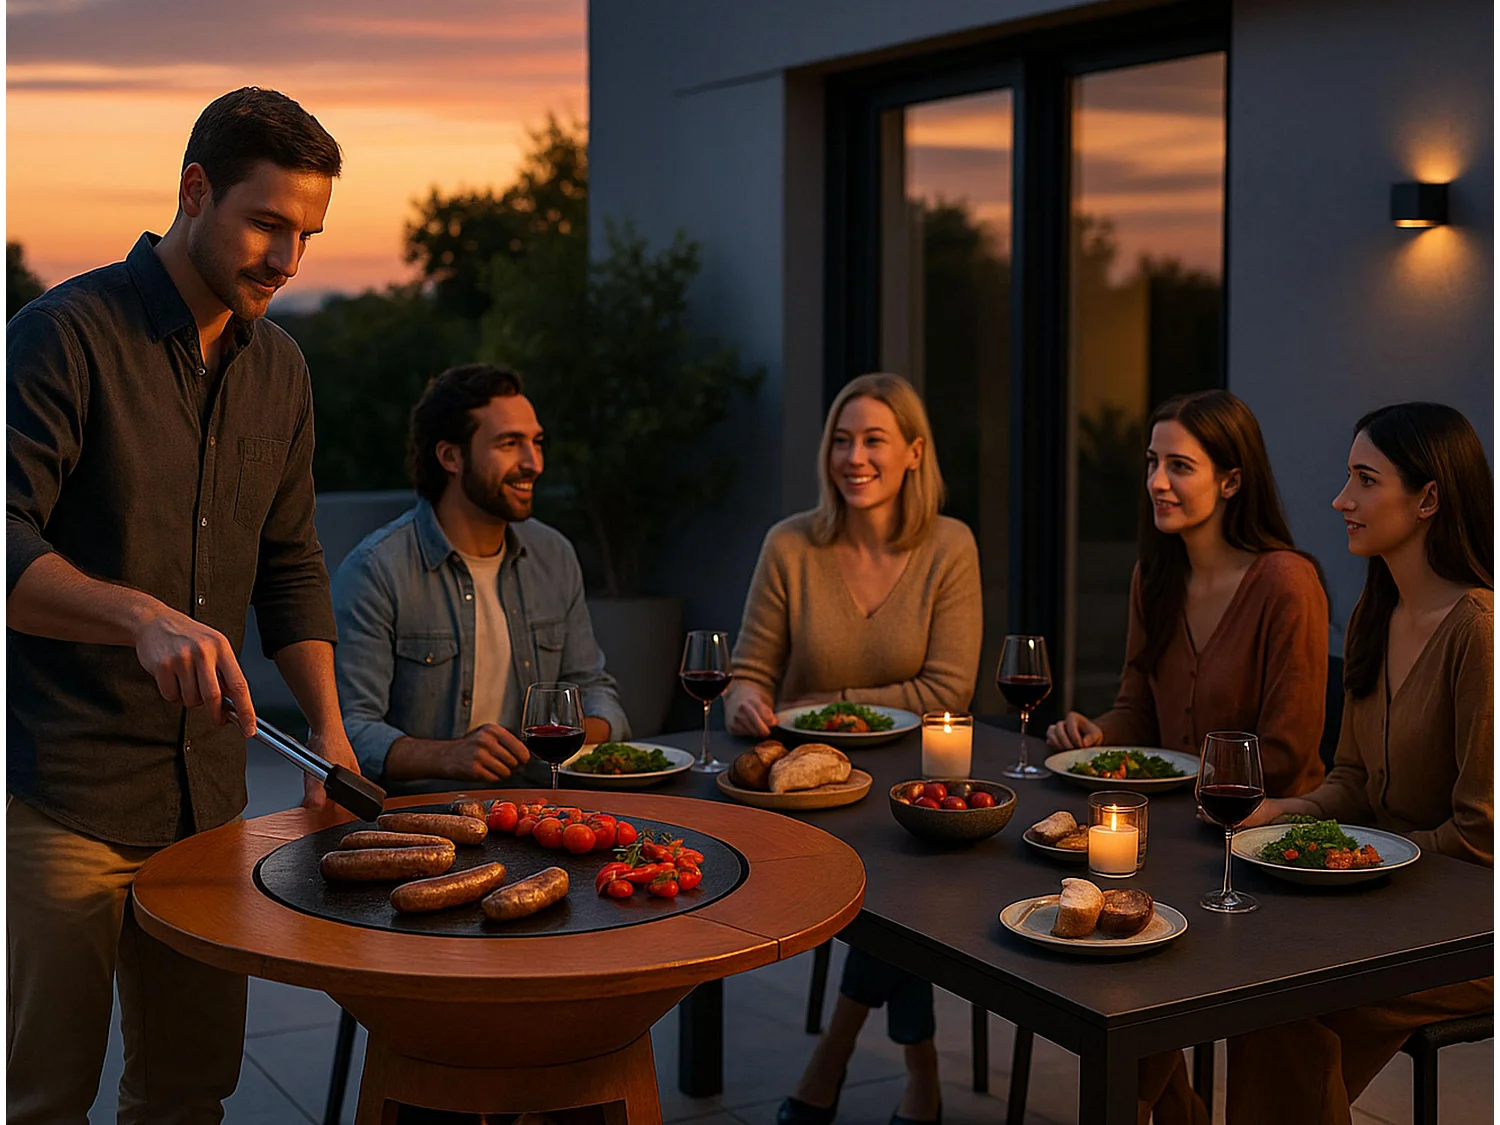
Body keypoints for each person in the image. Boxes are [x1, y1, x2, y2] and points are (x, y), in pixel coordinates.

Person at [6, 88, 362, 1122]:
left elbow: (292, 563)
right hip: (65, 797)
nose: (287, 258)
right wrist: (138, 615)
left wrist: (331, 734)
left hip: (210, 811)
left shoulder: (283, 371)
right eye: (268, 223)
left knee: (189, 1093)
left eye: (307, 234)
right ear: (195, 191)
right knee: (45, 1098)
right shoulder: (62, 336)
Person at [1044, 388, 1329, 1125]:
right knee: (1090, 932)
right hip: (1172, 835)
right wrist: (1095, 734)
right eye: (1151, 463)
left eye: (1180, 465)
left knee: (1133, 964)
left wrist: (1183, 795)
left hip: (1261, 847)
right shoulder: (1156, 575)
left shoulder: (1286, 581)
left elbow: (1290, 750)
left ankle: (1128, 1108)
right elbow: (1138, 704)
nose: (1158, 482)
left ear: (1232, 480)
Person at [1219, 402, 1492, 1125]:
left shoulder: (1481, 634)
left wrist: (1347, 854)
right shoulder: (1378, 614)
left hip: (1469, 929)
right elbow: (1354, 781)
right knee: (1252, 975)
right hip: (1389, 903)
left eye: (1365, 480)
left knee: (1283, 1004)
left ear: (1429, 497)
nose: (1342, 499)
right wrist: (1286, 811)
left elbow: (1479, 841)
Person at [726, 373, 982, 1125]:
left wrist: (817, 708)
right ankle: (919, 1075)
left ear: (913, 452)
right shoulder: (790, 544)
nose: (854, 456)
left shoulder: (949, 545)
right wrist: (746, 697)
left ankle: (833, 1062)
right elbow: (749, 670)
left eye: (873, 439)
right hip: (810, 790)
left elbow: (947, 690)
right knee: (898, 887)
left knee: (898, 883)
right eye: (841, 439)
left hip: (918, 778)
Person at [332, 363, 629, 791]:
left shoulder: (553, 555)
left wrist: (582, 731)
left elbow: (593, 686)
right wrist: (448, 755)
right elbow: (347, 733)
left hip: (540, 808)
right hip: (422, 822)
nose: (534, 464)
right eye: (510, 444)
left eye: (537, 443)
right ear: (451, 456)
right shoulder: (377, 570)